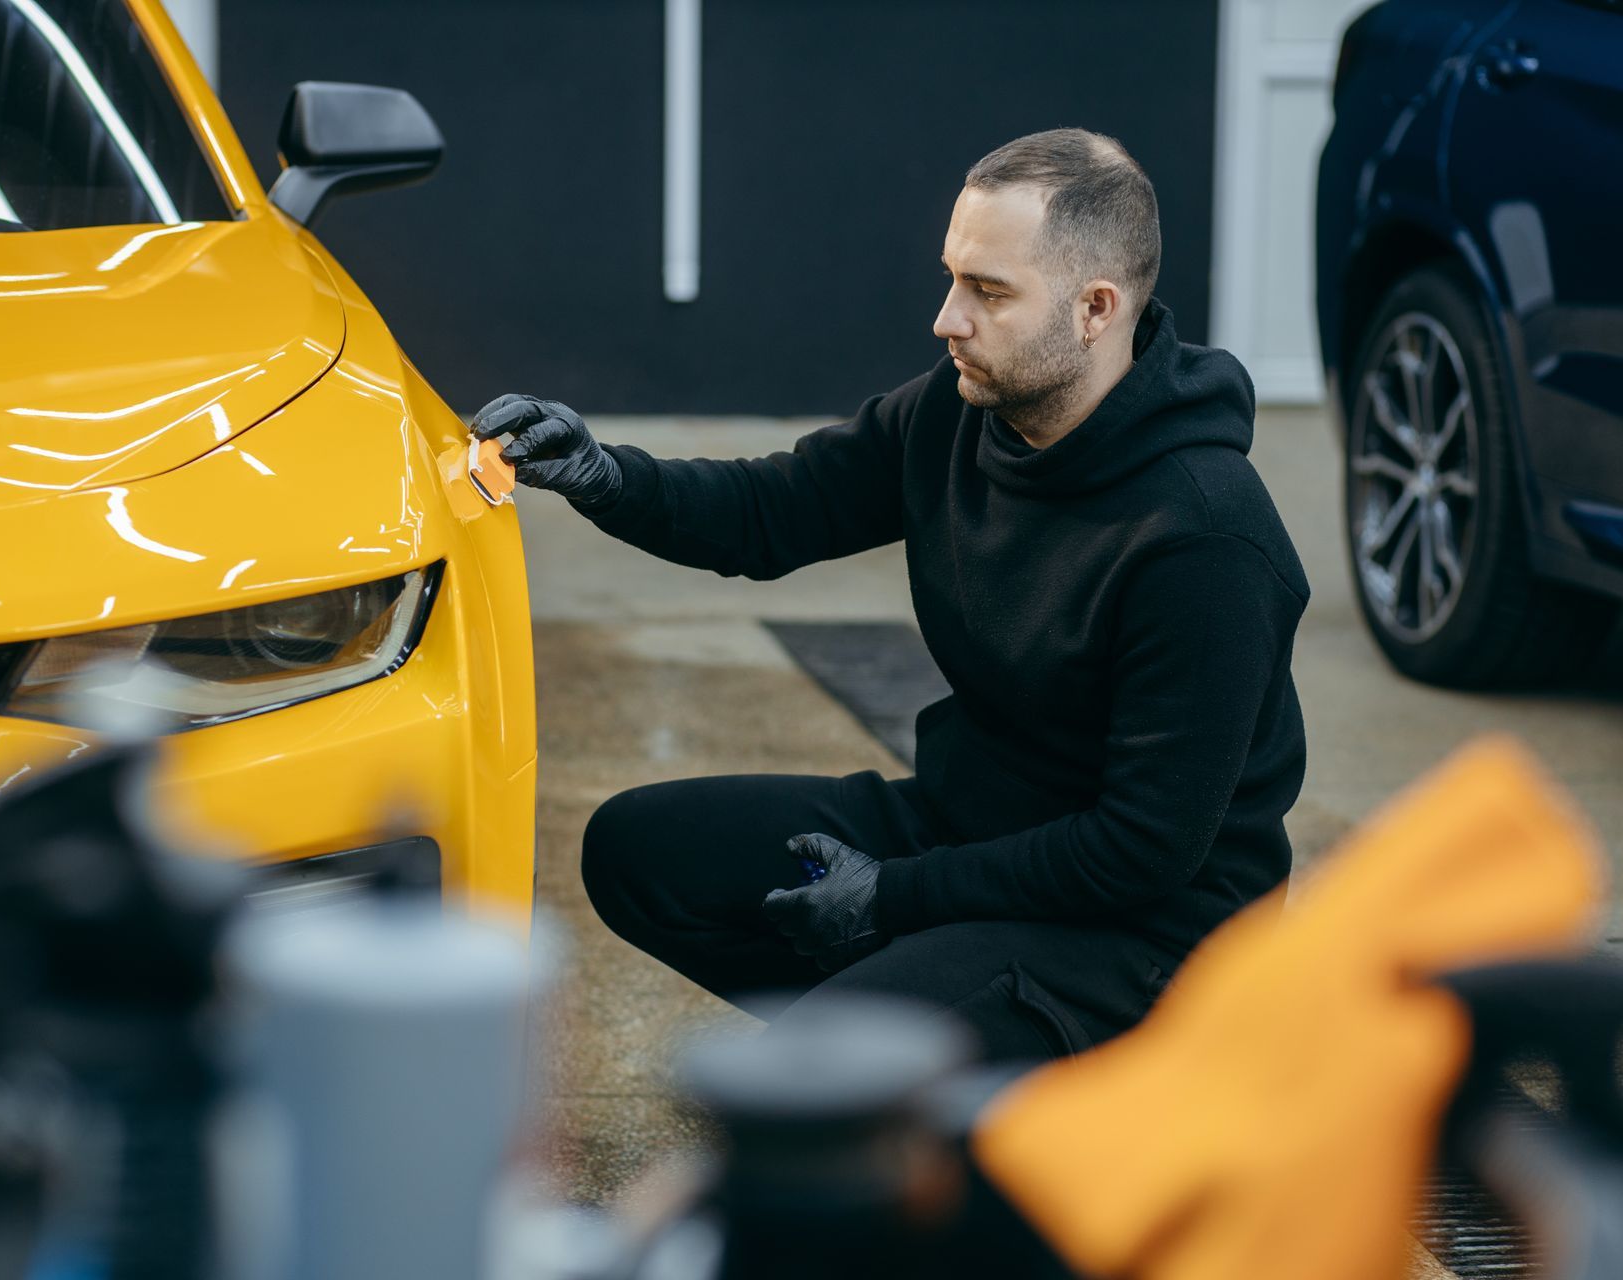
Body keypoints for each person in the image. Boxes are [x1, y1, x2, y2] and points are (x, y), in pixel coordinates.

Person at [475, 128, 1309, 1061]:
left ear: (1095, 309)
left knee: (816, 1073)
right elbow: (776, 509)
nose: (948, 319)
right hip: (969, 833)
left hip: (1142, 939)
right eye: (953, 278)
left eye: (989, 291)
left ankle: (970, 1072)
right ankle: (916, 1044)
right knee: (641, 853)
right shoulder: (961, 410)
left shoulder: (1204, 540)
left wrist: (895, 898)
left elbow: (1140, 850)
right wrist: (608, 477)